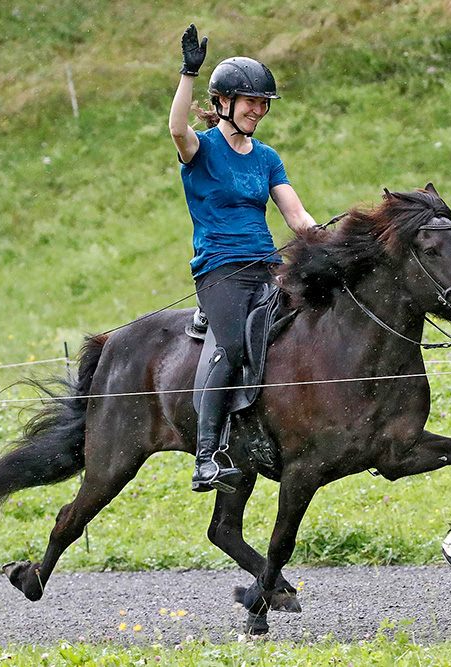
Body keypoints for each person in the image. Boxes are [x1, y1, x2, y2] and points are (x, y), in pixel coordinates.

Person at [169, 24, 318, 493]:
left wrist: (325, 238)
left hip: (266, 266)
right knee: (232, 348)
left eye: (263, 103)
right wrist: (189, 72)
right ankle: (207, 456)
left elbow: (296, 216)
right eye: (250, 101)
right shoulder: (201, 149)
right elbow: (176, 127)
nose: (259, 109)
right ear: (223, 103)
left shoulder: (267, 156)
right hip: (220, 271)